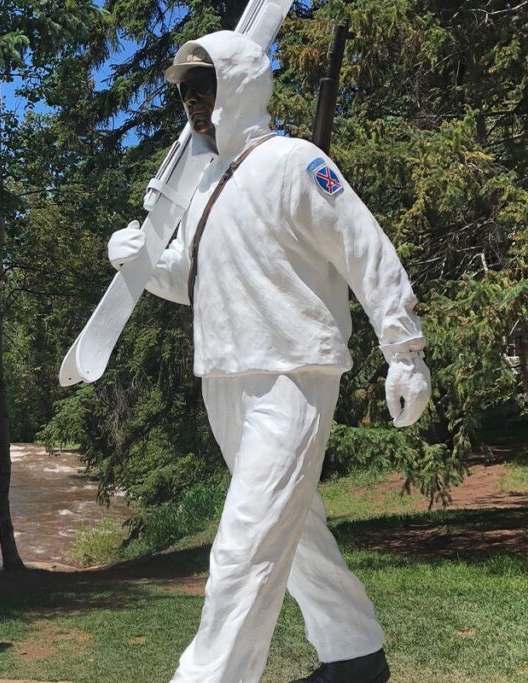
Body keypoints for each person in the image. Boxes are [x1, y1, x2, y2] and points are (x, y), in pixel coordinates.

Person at [106, 31, 431, 683]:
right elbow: (199, 281)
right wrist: (142, 263)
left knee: (245, 544)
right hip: (227, 375)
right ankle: (355, 653)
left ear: (243, 84)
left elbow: (364, 249)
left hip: (294, 372)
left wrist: (404, 349)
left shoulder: (294, 163)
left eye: (205, 83)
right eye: (184, 89)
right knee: (295, 526)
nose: (193, 99)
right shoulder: (203, 194)